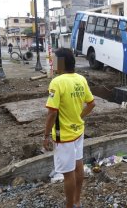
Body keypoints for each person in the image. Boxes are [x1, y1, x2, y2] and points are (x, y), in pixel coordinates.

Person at [43, 48, 95, 208]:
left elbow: (52, 113)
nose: (52, 63)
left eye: (55, 60)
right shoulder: (81, 79)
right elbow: (91, 103)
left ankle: (69, 206)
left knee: (68, 173)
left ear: (61, 63)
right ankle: (77, 201)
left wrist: (45, 135)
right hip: (78, 131)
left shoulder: (57, 82)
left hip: (63, 135)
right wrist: (79, 116)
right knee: (78, 165)